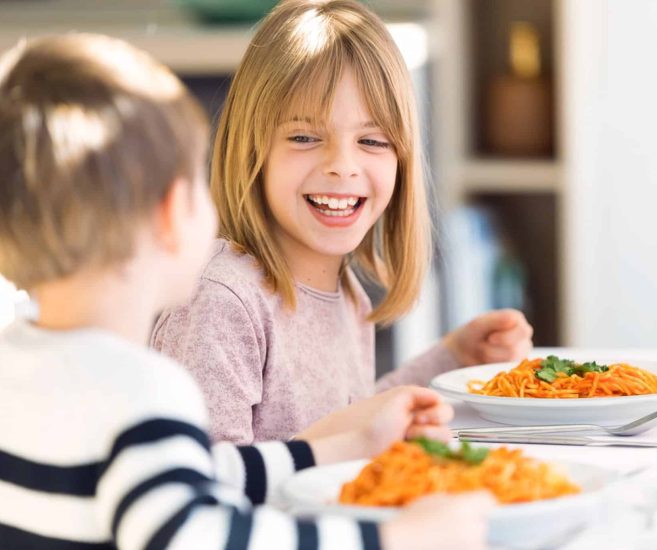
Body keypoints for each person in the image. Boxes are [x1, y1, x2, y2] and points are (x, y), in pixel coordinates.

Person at [0, 33, 494, 550]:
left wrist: (346, 445)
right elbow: (204, 531)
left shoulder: (23, 360)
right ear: (175, 213)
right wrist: (389, 540)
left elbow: (204, 470)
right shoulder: (143, 392)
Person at [152, 0, 534, 444]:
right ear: (253, 152)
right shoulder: (222, 302)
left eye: (372, 141)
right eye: (305, 137)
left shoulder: (347, 295)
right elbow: (212, 480)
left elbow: (345, 418)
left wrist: (451, 359)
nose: (342, 165)